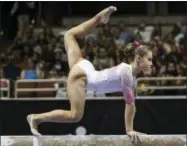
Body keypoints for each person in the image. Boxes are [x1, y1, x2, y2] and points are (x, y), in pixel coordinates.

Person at [27, 6, 153, 143]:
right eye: (150, 59)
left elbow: (131, 104)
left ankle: (98, 19)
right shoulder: (128, 74)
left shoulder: (130, 75)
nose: (152, 63)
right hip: (81, 76)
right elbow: (130, 105)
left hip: (86, 67)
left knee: (69, 35)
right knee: (75, 116)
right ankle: (36, 118)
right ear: (139, 59)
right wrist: (129, 130)